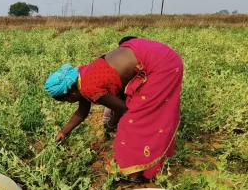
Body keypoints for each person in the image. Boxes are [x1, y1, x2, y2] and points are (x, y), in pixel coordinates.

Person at [44, 37, 183, 180]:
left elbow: (123, 109)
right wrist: (64, 132)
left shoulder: (88, 87)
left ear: (72, 91)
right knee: (135, 111)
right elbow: (82, 111)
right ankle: (139, 162)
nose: (68, 102)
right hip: (147, 52)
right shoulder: (81, 76)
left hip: (161, 64)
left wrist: (110, 125)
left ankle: (134, 171)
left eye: (66, 99)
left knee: (133, 120)